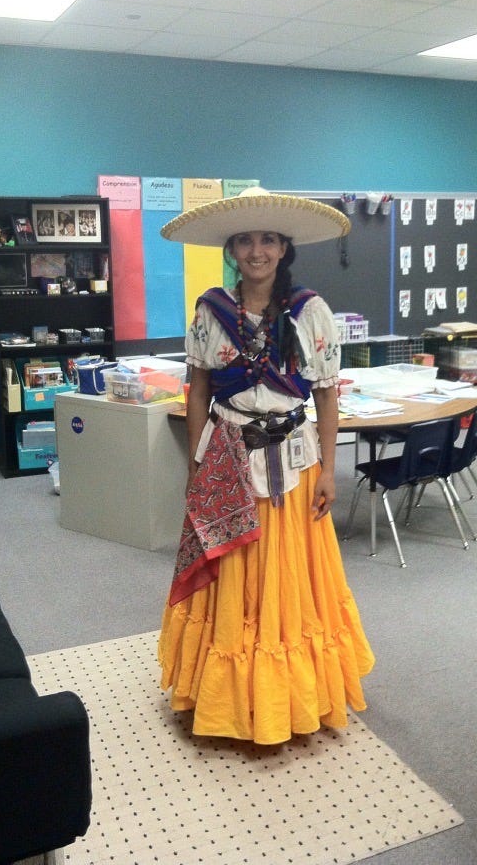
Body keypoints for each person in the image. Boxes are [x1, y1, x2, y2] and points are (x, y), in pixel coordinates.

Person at [157, 187, 375, 745]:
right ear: (232, 249)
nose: (257, 251)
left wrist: (328, 468)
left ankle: (288, 697)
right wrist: (196, 460)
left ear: (284, 248)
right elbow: (199, 385)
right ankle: (227, 696)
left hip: (293, 462)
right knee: (234, 573)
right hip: (229, 457)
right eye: (246, 241)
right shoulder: (211, 311)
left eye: (268, 240)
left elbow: (326, 393)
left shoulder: (311, 312)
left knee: (288, 575)